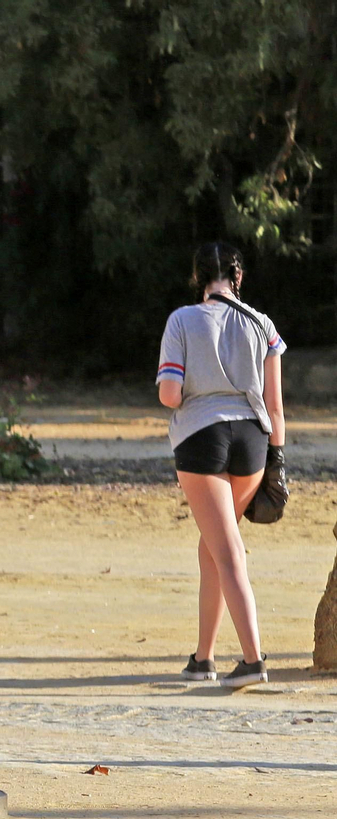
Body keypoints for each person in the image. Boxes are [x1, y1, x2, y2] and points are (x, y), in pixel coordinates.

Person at [157, 241, 286, 690]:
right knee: (212, 545)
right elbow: (275, 406)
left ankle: (252, 659)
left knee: (226, 550)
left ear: (198, 279)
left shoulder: (182, 320)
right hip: (253, 441)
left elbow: (170, 395)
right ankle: (204, 658)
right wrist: (278, 461)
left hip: (202, 439)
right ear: (238, 278)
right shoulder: (262, 324)